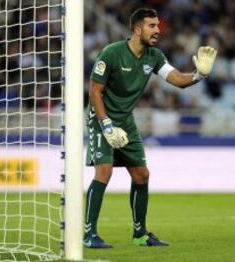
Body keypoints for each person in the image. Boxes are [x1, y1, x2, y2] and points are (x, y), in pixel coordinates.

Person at [84, 8, 217, 248]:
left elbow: (177, 79)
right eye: (152, 26)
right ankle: (88, 233)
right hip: (100, 118)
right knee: (104, 171)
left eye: (158, 25)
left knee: (142, 174)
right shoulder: (112, 53)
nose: (158, 30)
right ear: (137, 29)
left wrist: (199, 75)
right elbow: (94, 90)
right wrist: (105, 124)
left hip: (126, 120)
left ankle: (140, 235)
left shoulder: (154, 56)